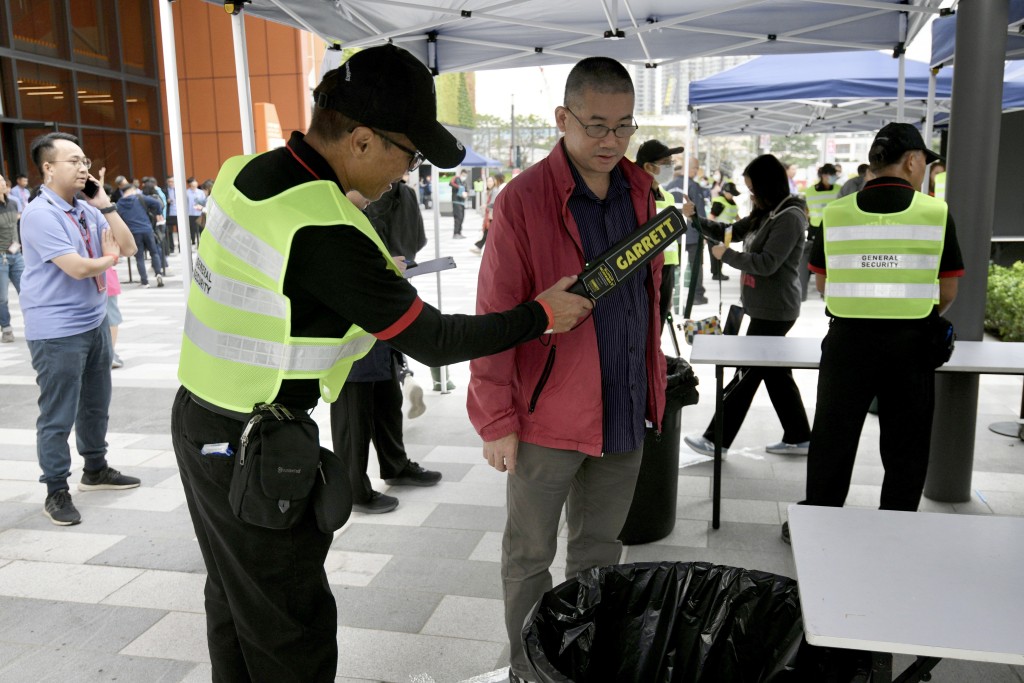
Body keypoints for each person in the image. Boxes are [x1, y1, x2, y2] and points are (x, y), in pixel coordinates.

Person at [170, 44, 592, 682]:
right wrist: (540, 314)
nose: (409, 171)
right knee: (290, 622)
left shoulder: (246, 169)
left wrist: (351, 286)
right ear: (362, 140)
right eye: (409, 153)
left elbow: (275, 282)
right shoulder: (326, 228)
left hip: (199, 419)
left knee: (235, 595)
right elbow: (437, 341)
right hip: (254, 444)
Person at [467, 56, 666, 683]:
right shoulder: (524, 199)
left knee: (600, 553)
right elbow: (495, 313)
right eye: (596, 125)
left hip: (625, 405)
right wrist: (496, 417)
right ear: (563, 118)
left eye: (624, 126)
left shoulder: (640, 189)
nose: (611, 140)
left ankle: (584, 659)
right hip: (547, 416)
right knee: (529, 554)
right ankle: (530, 667)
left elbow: (646, 299)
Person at [782, 123, 965, 545]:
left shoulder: (838, 213)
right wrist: (909, 310)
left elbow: (824, 285)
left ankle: (822, 528)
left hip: (848, 343)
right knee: (906, 446)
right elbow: (948, 289)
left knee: (833, 438)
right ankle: (894, 534)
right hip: (912, 345)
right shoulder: (935, 213)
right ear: (913, 161)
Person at [19, 132, 141, 526]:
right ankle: (56, 489)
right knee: (58, 413)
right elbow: (77, 267)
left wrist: (105, 205)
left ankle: (96, 469)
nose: (83, 167)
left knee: (95, 402)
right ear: (48, 168)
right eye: (73, 161)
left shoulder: (85, 208)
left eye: (85, 160)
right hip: (56, 331)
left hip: (93, 321)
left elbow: (129, 247)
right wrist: (108, 258)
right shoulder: (41, 214)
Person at [682, 155, 812, 459]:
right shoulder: (766, 211)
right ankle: (800, 436)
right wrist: (696, 219)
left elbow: (766, 264)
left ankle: (716, 439)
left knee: (745, 376)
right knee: (775, 374)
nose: (750, 195)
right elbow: (731, 232)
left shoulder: (789, 217)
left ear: (768, 186)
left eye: (753, 189)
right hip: (762, 306)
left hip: (776, 310)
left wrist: (725, 255)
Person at [330, 182, 439, 515]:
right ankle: (352, 488)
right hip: (348, 324)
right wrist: (383, 263)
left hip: (379, 315)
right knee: (355, 407)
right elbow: (334, 263)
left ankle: (395, 464)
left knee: (386, 395)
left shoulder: (388, 199)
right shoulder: (333, 204)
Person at [634, 139, 684, 331]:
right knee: (646, 323)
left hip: (668, 265)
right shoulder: (636, 196)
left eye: (672, 163)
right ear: (648, 166)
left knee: (660, 318)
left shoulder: (667, 195)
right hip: (647, 268)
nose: (671, 167)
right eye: (666, 164)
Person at [799, 163, 840, 301]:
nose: (833, 177)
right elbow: (807, 210)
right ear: (823, 175)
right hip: (816, 229)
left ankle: (826, 289)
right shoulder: (810, 191)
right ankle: (821, 287)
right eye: (831, 175)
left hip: (834, 228)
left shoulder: (840, 190)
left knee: (832, 258)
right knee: (817, 259)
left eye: (835, 175)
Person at [116, 185, 165, 288]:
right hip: (147, 229)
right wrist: (158, 213)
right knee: (154, 252)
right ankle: (158, 273)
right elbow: (156, 202)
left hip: (133, 232)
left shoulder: (119, 204)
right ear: (131, 190)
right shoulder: (139, 198)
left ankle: (145, 282)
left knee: (139, 257)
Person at [1, 175, 24, 343]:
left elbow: (18, 223)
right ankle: (6, 328)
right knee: (2, 297)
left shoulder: (13, 203)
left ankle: (35, 323)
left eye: (2, 180)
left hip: (17, 255)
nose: (3, 183)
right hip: (1, 257)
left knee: (27, 291)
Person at [708, 180, 742, 281]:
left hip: (727, 233)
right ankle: (716, 273)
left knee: (723, 252)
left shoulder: (732, 203)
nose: (733, 196)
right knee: (715, 254)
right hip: (716, 232)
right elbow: (711, 217)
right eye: (731, 194)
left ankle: (719, 272)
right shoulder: (719, 202)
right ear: (726, 192)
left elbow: (736, 217)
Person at [470, 172, 506, 254]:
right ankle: (482, 248)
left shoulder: (496, 190)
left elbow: (495, 203)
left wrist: (486, 205)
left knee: (490, 233)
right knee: (489, 232)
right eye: (488, 181)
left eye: (491, 181)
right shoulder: (489, 191)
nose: (489, 183)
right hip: (490, 215)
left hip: (493, 215)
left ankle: (482, 248)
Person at [449, 168, 467, 238]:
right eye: (463, 175)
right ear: (460, 174)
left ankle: (459, 232)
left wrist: (466, 194)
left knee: (462, 218)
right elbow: (450, 183)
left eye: (465, 175)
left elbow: (466, 190)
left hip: (462, 202)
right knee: (458, 217)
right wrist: (458, 187)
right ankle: (455, 233)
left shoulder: (464, 182)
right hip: (456, 201)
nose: (464, 176)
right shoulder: (456, 179)